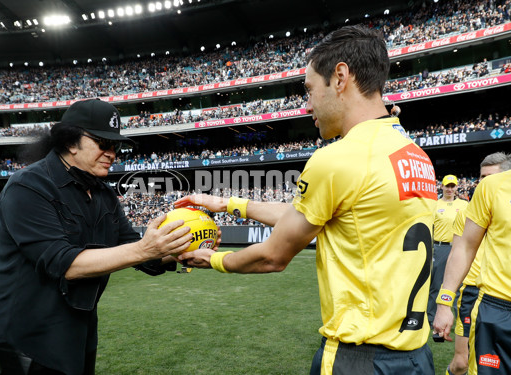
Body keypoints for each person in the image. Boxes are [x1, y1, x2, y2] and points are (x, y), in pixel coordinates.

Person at [176, 25, 437, 374]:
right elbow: (317, 215)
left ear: (340, 77)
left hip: (360, 357)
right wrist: (227, 205)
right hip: (417, 356)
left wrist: (214, 260)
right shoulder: (415, 154)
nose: (306, 103)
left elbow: (273, 257)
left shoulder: (338, 158)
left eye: (310, 89)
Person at [0, 99, 193, 375]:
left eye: (115, 145)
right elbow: (65, 264)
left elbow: (133, 248)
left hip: (79, 328)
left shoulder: (104, 194)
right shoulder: (28, 186)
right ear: (71, 142)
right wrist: (146, 249)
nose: (112, 153)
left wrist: (182, 250)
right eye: (102, 143)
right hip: (29, 335)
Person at [433, 167, 511, 375]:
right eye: (483, 176)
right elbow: (464, 247)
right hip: (493, 303)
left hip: (484, 298)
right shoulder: (492, 189)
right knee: (461, 362)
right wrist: (445, 301)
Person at [428, 174, 468, 326]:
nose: (450, 189)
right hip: (439, 248)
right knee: (436, 285)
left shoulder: (464, 205)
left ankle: (458, 319)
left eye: (453, 186)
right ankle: (431, 317)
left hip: (458, 248)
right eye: (447, 186)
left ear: (457, 187)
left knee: (457, 285)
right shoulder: (435, 204)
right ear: (442, 187)